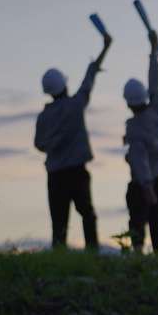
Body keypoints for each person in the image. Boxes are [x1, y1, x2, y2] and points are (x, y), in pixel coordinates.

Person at [34, 32, 109, 250]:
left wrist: (54, 143)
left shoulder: (43, 117)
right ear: (64, 86)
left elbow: (39, 145)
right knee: (87, 213)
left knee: (59, 222)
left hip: (55, 174)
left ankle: (59, 256)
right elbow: (89, 79)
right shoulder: (75, 106)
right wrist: (104, 48)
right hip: (77, 171)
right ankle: (92, 253)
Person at [122, 30, 158, 255]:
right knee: (157, 220)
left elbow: (139, 160)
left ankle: (138, 253)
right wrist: (153, 52)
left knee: (138, 218)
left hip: (146, 180)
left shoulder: (135, 128)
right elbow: (155, 83)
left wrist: (146, 185)